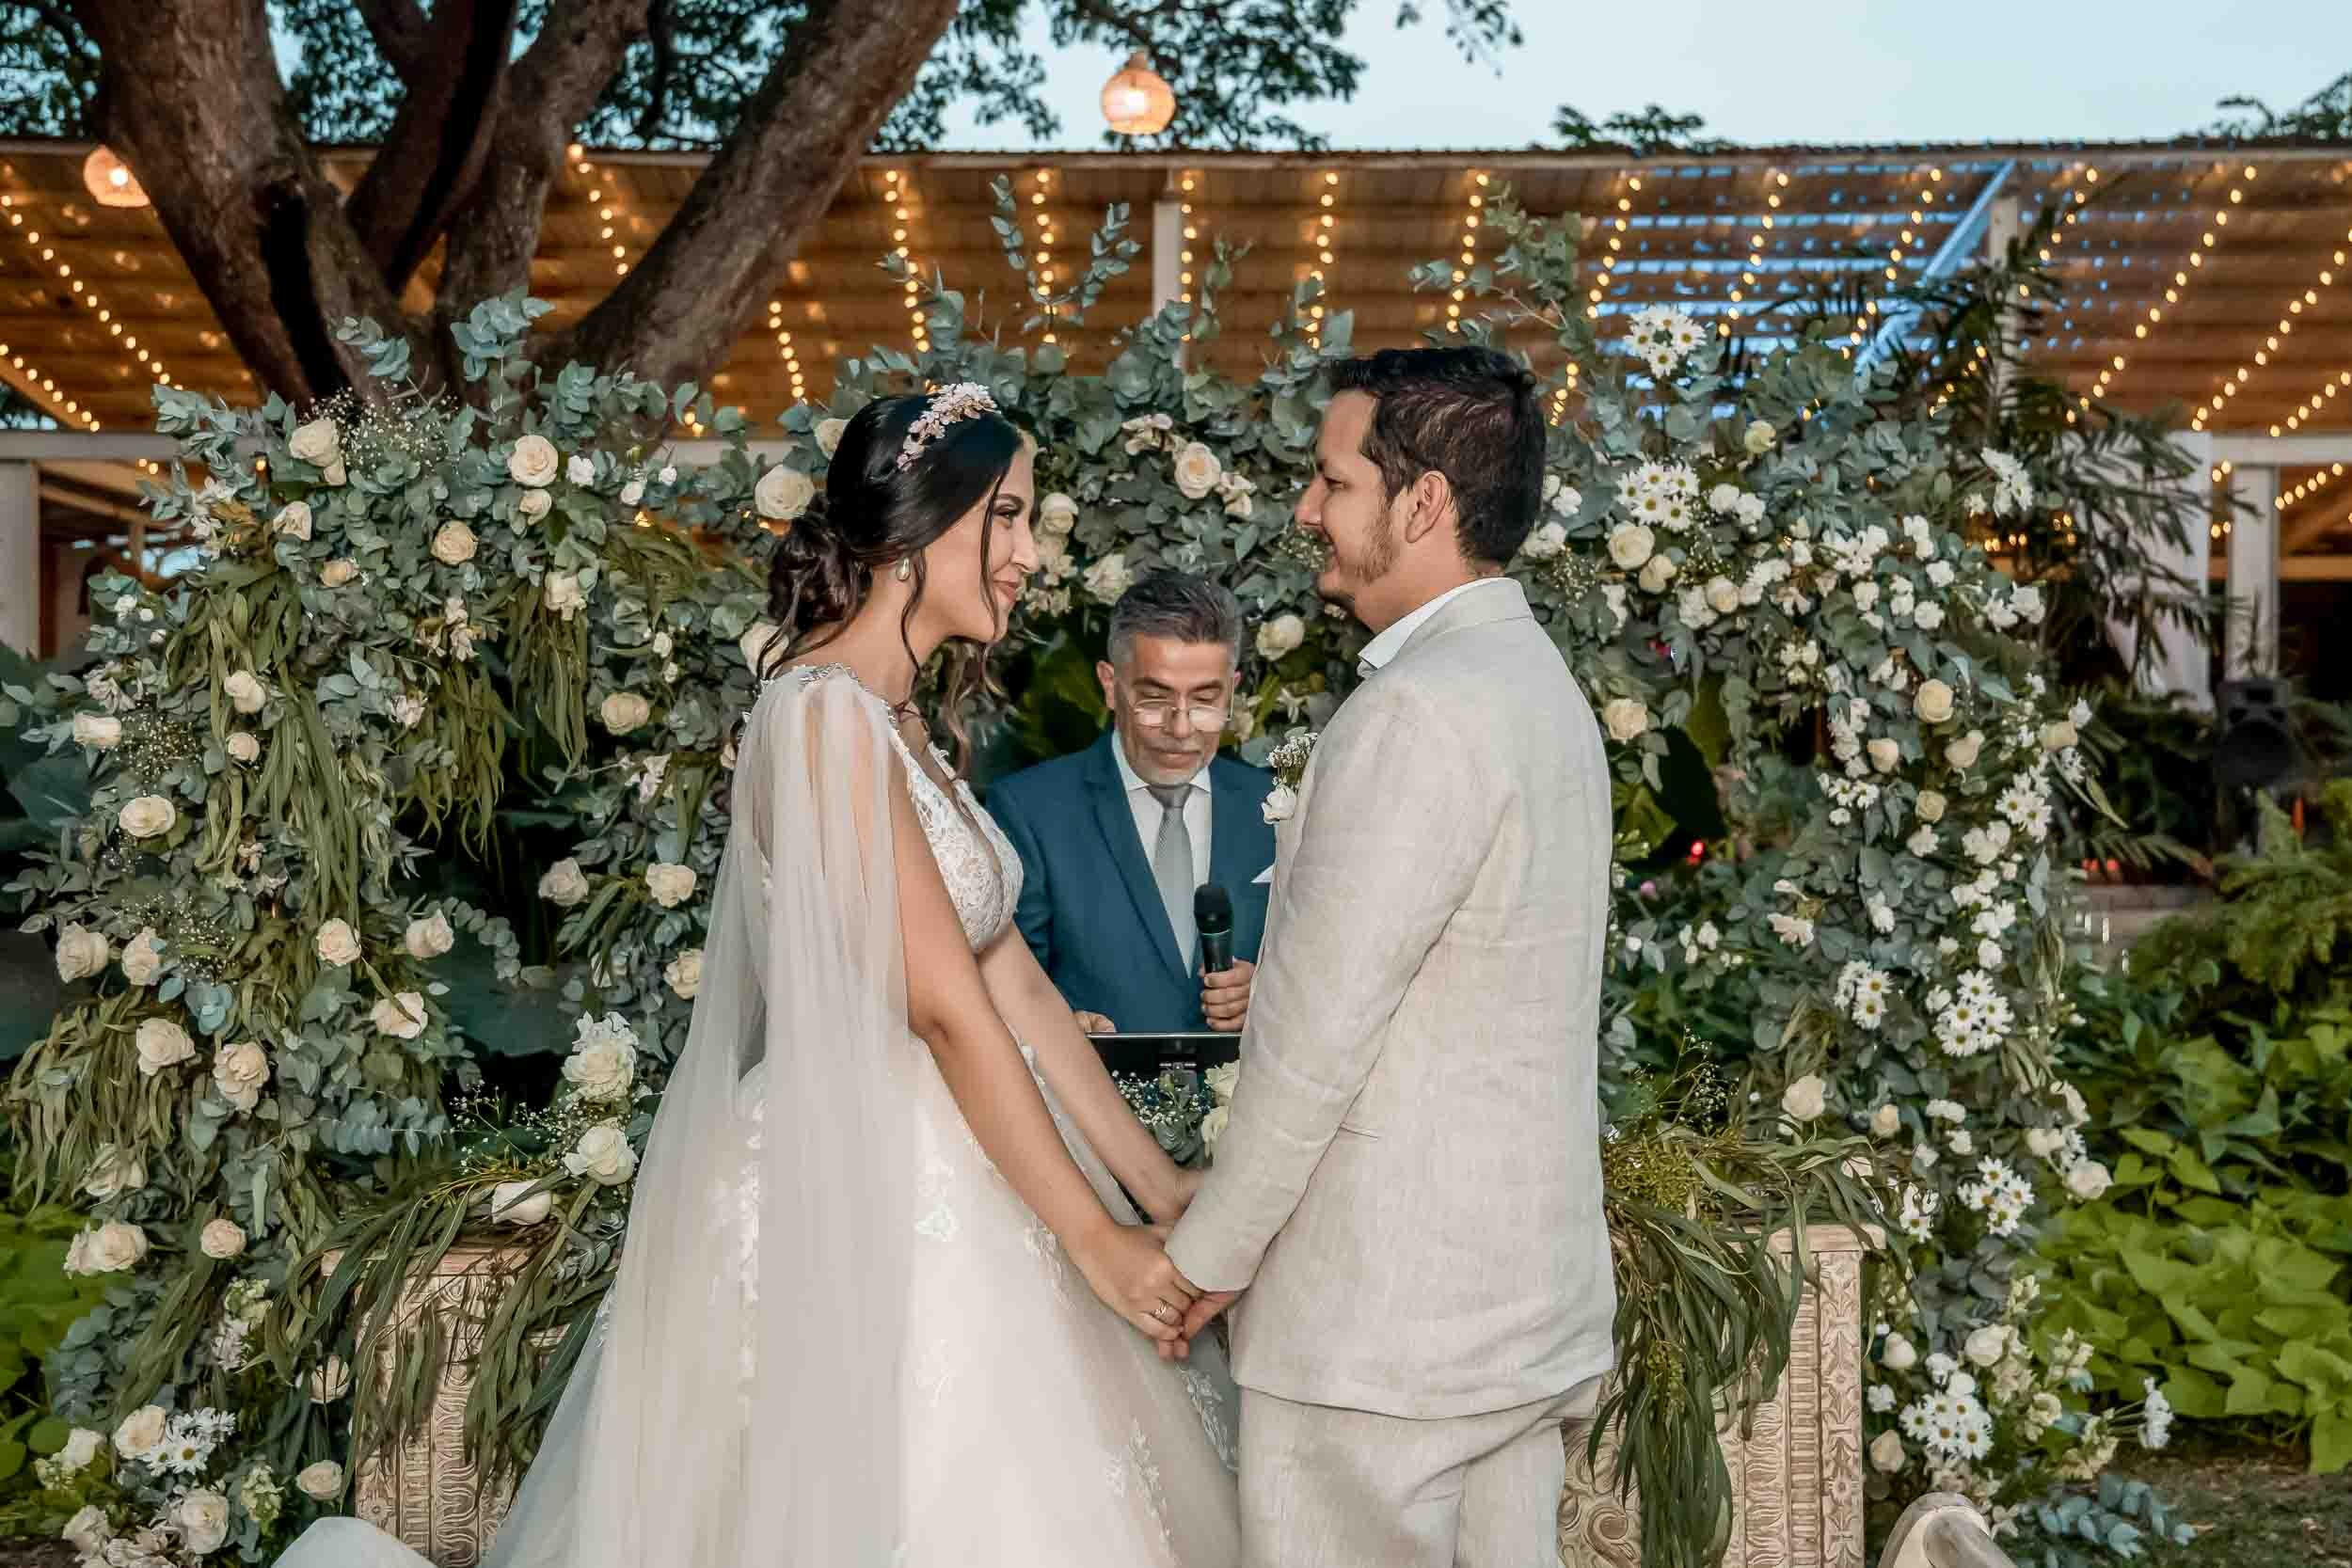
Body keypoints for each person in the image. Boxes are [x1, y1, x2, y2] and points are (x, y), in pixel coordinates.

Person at [280, 387, 1242, 1568]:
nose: (1030, 555)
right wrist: (1094, 1238)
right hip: (867, 1186)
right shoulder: (821, 717)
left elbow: (1017, 984)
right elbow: (943, 1008)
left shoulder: (901, 725)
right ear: (920, 531)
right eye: (1011, 517)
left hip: (976, 1152)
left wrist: (1155, 1188)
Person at [1164, 346, 1617, 1568]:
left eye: (1333, 480)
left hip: (1386, 1341)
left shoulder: (1417, 712)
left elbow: (1316, 1042)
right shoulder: (1541, 689)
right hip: (1514, 1315)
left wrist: (1200, 1261)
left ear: (1421, 503)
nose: (1308, 508)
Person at [988, 571, 1276, 1037]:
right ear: (1108, 683)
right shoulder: (1030, 810)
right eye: (1154, 698)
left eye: (1205, 699)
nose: (1181, 728)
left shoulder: (1277, 810)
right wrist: (1062, 1026)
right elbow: (1002, 987)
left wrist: (1266, 996)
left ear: (1233, 688)